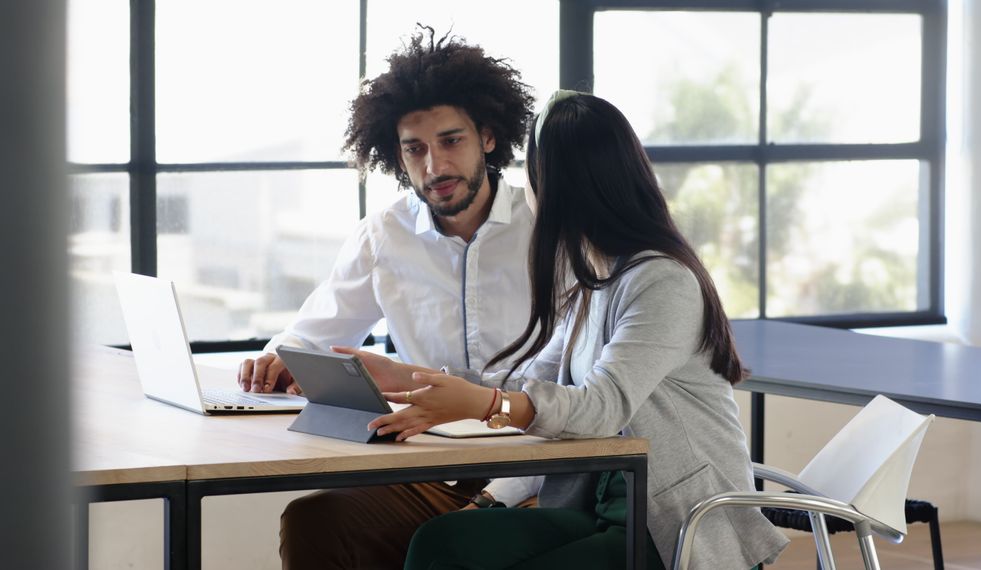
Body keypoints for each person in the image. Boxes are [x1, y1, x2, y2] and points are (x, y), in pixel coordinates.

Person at [347, 91, 790, 569]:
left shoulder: (662, 280)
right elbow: (526, 382)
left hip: (670, 526)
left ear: (558, 186)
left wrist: (488, 406)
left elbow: (604, 406)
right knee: (443, 543)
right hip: (602, 513)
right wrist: (404, 377)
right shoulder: (594, 282)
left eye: (532, 177)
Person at [235, 29, 542, 570]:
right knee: (315, 520)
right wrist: (279, 355)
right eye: (415, 149)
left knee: (473, 542)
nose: (433, 167)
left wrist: (506, 490)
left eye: (451, 141)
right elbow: (315, 335)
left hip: (544, 462)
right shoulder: (384, 235)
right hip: (437, 466)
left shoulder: (547, 230)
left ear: (488, 137)